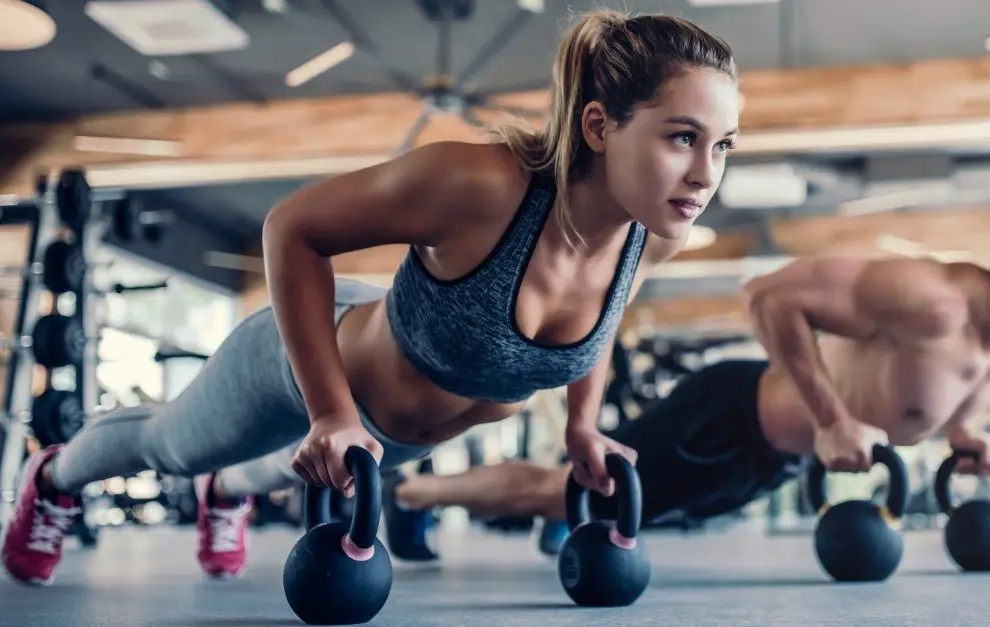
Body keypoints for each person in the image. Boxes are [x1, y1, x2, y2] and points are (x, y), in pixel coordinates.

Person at [1, 9, 743, 585]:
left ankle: (227, 493)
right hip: (311, 361)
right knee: (170, 448)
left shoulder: (652, 235)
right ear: (598, 126)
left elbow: (599, 323)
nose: (706, 172)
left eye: (723, 145)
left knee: (282, 465)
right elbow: (292, 227)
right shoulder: (480, 187)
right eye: (683, 137)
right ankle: (55, 478)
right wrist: (329, 410)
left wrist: (583, 425)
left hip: (386, 436)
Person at [383, 165, 990, 558]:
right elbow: (769, 294)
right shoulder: (933, 296)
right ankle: (413, 494)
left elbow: (945, 384)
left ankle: (431, 495)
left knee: (592, 505)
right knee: (562, 493)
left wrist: (965, 430)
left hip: (763, 461)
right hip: (727, 419)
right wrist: (834, 416)